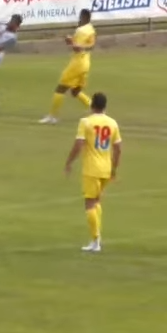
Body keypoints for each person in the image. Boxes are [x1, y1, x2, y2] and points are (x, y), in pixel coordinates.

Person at [64, 92, 122, 253]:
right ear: (105, 106)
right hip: (106, 168)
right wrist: (114, 168)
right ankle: (96, 237)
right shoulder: (112, 123)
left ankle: (96, 240)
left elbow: (78, 144)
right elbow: (118, 148)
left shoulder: (86, 122)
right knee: (97, 202)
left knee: (89, 203)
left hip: (91, 168)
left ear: (91, 105)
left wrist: (69, 162)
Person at [39, 9, 96, 124]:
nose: (79, 19)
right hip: (86, 63)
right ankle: (95, 110)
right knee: (75, 91)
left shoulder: (81, 30)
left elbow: (77, 47)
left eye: (80, 17)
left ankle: (53, 117)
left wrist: (70, 41)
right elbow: (91, 46)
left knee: (60, 89)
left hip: (77, 63)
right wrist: (72, 41)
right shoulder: (91, 29)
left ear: (83, 17)